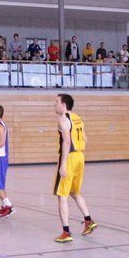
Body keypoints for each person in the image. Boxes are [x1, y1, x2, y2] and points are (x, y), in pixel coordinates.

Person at [53, 94, 96, 242]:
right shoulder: (78, 118)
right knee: (74, 192)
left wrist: (63, 164)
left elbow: (66, 142)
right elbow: (85, 139)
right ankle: (88, 221)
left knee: (62, 195)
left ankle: (66, 233)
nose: (55, 105)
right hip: (80, 156)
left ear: (64, 104)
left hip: (70, 157)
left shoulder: (62, 119)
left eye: (57, 102)